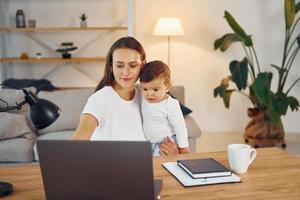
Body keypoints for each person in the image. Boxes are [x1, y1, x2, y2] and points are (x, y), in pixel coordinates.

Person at [72, 36, 180, 155]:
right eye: (119, 66)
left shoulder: (145, 94)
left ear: (143, 65)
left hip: (146, 166)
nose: (126, 72)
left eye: (133, 66)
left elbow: (167, 126)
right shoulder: (100, 99)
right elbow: (77, 144)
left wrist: (174, 150)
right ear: (111, 67)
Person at [140, 60, 190, 156]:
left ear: (167, 87)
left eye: (155, 89)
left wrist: (184, 149)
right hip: (149, 143)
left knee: (160, 167)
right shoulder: (143, 99)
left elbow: (180, 127)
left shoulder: (170, 104)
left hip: (166, 143)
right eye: (145, 89)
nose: (149, 94)